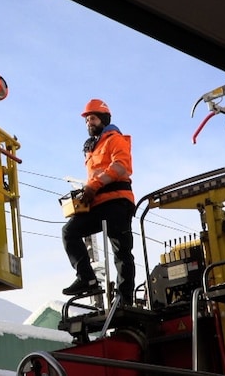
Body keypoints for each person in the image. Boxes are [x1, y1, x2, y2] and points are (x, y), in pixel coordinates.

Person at [61, 99, 136, 305]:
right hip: (98, 203)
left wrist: (93, 185)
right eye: (86, 120)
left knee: (121, 252)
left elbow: (121, 167)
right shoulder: (92, 148)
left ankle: (125, 299)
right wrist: (86, 192)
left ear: (103, 119)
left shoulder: (115, 139)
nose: (88, 123)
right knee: (70, 232)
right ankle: (87, 278)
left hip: (117, 203)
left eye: (92, 118)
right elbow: (96, 176)